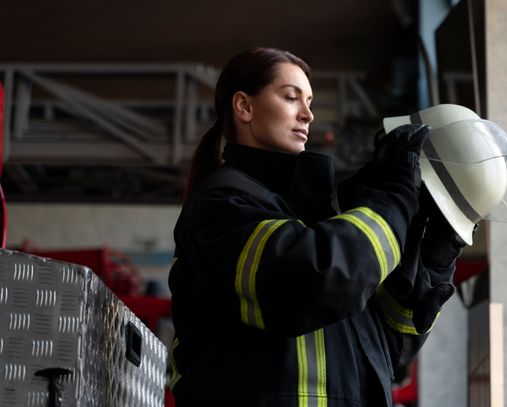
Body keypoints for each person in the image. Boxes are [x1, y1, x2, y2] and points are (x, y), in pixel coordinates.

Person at [168, 47, 467, 407]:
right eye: (291, 97)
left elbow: (389, 351)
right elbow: (317, 282)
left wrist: (433, 255)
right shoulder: (222, 204)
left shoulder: (317, 222)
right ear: (244, 107)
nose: (308, 114)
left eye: (309, 101)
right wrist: (391, 197)